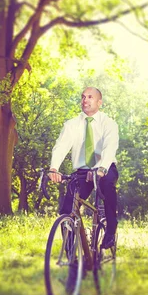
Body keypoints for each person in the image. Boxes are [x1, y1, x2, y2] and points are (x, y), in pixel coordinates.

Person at [49, 86, 119, 250]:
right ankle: (71, 253)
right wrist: (53, 168)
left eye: (89, 97)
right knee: (68, 208)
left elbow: (110, 147)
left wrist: (100, 168)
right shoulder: (71, 124)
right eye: (83, 97)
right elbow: (61, 146)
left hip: (105, 168)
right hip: (81, 172)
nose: (85, 100)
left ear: (99, 102)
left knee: (108, 185)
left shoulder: (109, 123)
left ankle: (110, 230)